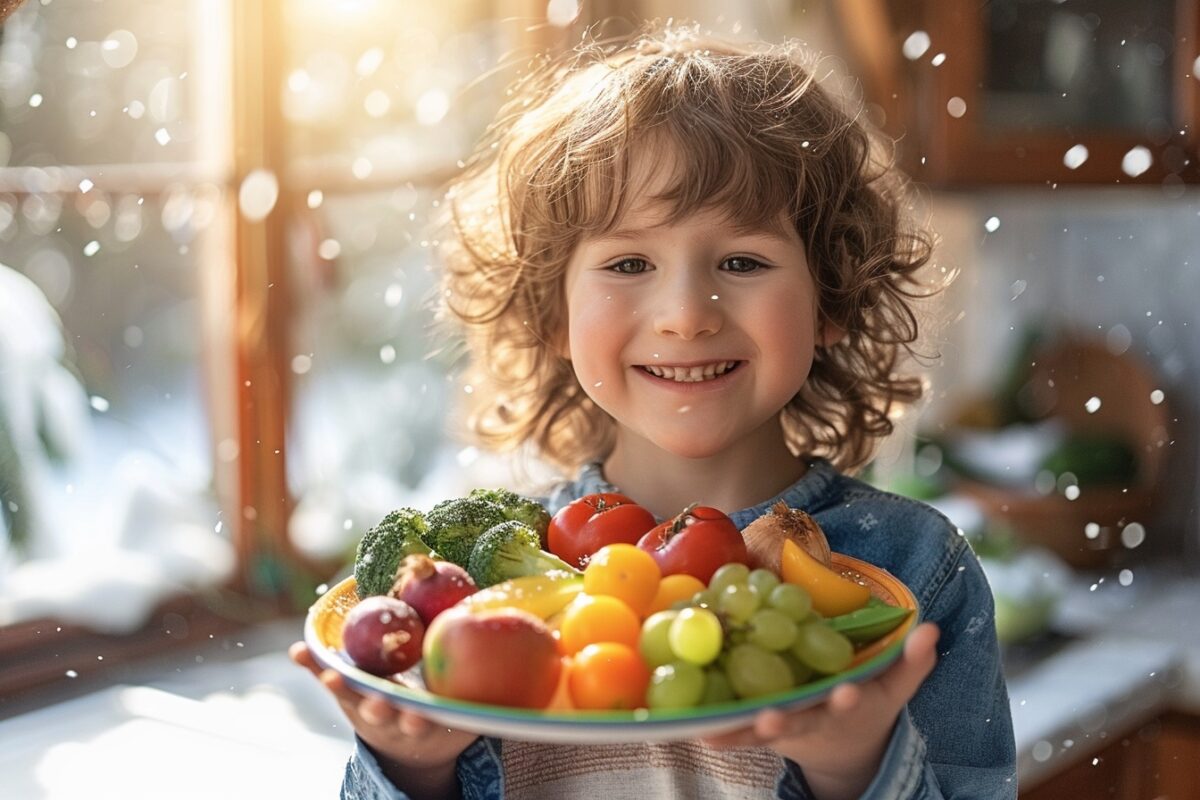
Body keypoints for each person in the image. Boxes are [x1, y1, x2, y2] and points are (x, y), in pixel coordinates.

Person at [291, 21, 1017, 800]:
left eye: (742, 261)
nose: (685, 314)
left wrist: (857, 767)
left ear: (830, 297)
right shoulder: (477, 590)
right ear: (552, 316)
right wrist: (409, 767)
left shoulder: (916, 573)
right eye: (629, 262)